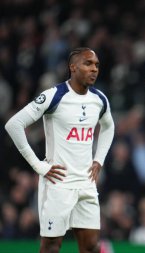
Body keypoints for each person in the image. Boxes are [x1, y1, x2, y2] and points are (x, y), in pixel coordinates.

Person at [5, 47, 115, 253]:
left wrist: (99, 159)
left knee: (91, 246)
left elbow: (109, 127)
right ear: (73, 67)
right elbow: (14, 124)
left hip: (86, 182)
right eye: (88, 63)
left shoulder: (99, 99)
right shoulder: (54, 96)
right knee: (51, 246)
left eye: (97, 65)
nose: (94, 69)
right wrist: (38, 165)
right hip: (58, 182)